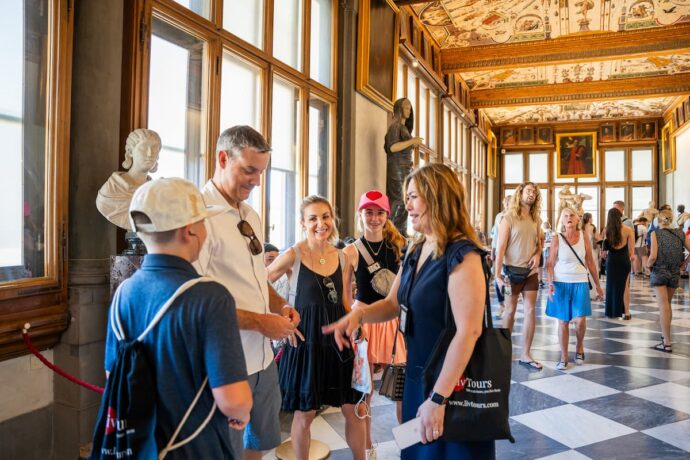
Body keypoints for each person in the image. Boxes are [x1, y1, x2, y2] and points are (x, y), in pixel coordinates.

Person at [324, 163, 493, 459]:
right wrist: (359, 315)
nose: (408, 206)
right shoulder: (416, 249)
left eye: (414, 197)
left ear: (437, 197)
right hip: (418, 376)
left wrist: (439, 398)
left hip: (451, 383)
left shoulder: (463, 254)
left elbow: (469, 331)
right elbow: (392, 303)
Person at [103, 177, 252, 458]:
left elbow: (114, 374)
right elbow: (233, 399)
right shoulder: (210, 297)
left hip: (139, 446)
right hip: (194, 447)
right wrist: (240, 412)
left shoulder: (124, 292)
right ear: (189, 230)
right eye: (203, 222)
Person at [195, 126, 300, 460]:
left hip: (263, 358)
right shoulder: (197, 217)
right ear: (222, 158)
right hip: (226, 361)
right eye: (249, 170)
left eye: (261, 172)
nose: (256, 182)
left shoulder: (250, 214)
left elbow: (255, 279)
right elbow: (195, 303)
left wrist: (280, 304)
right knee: (226, 450)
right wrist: (259, 323)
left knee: (264, 441)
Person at [267, 195, 366, 460]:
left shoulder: (344, 258)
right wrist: (281, 318)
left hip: (338, 342)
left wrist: (355, 321)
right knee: (305, 413)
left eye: (325, 217)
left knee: (352, 407)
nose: (320, 223)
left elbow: (344, 300)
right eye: (313, 218)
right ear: (303, 223)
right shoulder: (293, 254)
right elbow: (259, 282)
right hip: (306, 343)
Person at [343, 190, 407, 455]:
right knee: (364, 391)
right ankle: (367, 447)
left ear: (386, 216)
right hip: (365, 319)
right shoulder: (351, 251)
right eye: (368, 212)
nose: (374, 217)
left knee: (402, 389)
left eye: (379, 212)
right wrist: (354, 325)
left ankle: (408, 445)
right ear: (361, 215)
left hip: (392, 320)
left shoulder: (400, 245)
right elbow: (346, 297)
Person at [546, 208, 603, 370]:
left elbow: (590, 262)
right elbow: (550, 264)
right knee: (563, 321)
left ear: (577, 220)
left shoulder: (584, 236)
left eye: (571, 215)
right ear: (562, 221)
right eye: (565, 216)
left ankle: (579, 345)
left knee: (580, 320)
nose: (569, 218)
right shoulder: (557, 238)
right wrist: (550, 283)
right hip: (560, 282)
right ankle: (563, 357)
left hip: (580, 281)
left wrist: (598, 286)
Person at [495, 182, 543, 370]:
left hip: (530, 272)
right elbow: (500, 248)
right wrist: (497, 275)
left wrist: (538, 255)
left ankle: (526, 354)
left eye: (534, 192)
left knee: (531, 310)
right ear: (520, 193)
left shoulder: (535, 218)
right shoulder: (508, 218)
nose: (532, 194)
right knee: (510, 312)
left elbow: (539, 242)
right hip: (511, 272)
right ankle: (503, 354)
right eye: (528, 191)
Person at [96, 128, 162, 230]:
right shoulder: (111, 191)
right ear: (130, 152)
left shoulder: (157, 193)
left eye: (154, 148)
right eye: (143, 148)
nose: (150, 153)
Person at [646, 208, 690, 352]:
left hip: (660, 271)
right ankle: (666, 338)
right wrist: (685, 263)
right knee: (667, 305)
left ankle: (666, 342)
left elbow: (653, 256)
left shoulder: (655, 233)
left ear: (658, 220)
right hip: (674, 272)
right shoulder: (680, 233)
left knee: (663, 306)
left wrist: (647, 266)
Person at [385, 98, 423, 233]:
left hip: (404, 167)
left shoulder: (403, 128)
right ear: (399, 109)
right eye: (405, 107)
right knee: (400, 201)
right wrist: (412, 141)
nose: (408, 110)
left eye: (409, 108)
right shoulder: (396, 127)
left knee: (405, 201)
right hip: (397, 168)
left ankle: (399, 231)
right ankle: (391, 231)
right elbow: (393, 147)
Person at [603, 207, 635, 319]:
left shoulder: (606, 230)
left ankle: (611, 312)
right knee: (625, 286)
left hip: (612, 260)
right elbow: (631, 251)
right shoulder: (628, 230)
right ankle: (626, 312)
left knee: (611, 285)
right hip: (623, 260)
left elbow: (604, 250)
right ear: (620, 216)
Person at [490, 195, 512, 319]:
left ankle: (508, 303)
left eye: (510, 202)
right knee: (497, 278)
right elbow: (496, 235)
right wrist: (493, 250)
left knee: (507, 280)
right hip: (499, 251)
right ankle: (502, 304)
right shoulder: (499, 216)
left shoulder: (515, 216)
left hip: (511, 253)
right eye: (506, 202)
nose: (508, 204)